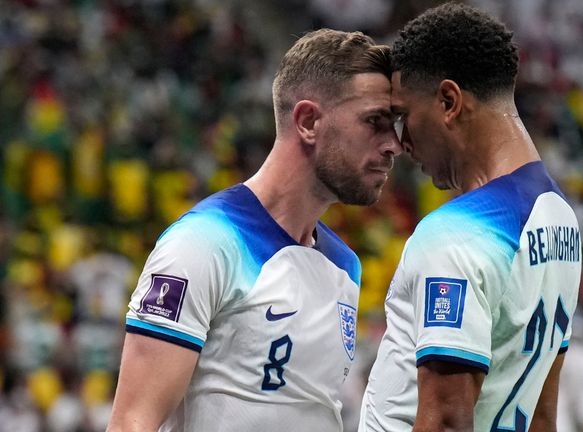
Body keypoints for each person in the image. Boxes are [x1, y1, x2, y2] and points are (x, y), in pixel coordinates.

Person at [107, 29, 402, 432]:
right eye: (375, 122)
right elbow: (131, 424)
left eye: (394, 126)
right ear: (309, 121)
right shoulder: (203, 244)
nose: (393, 145)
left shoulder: (344, 266)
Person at [359, 4, 581, 432]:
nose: (399, 141)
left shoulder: (455, 236)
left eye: (403, 117)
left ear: (448, 101)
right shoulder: (561, 219)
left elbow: (445, 420)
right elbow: (542, 416)